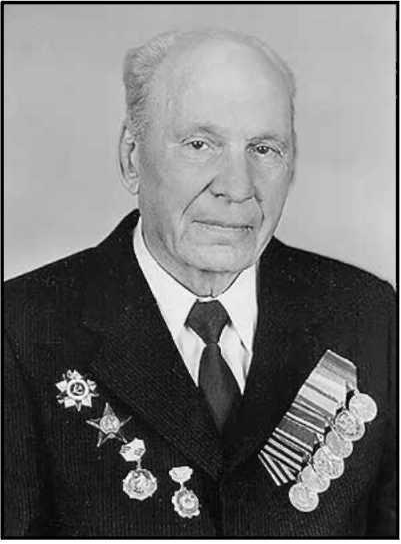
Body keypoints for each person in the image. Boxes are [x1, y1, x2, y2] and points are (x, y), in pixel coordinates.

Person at [4, 29, 396, 537]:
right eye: (199, 144)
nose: (237, 187)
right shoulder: (21, 329)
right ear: (131, 157)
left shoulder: (368, 313)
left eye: (264, 148)